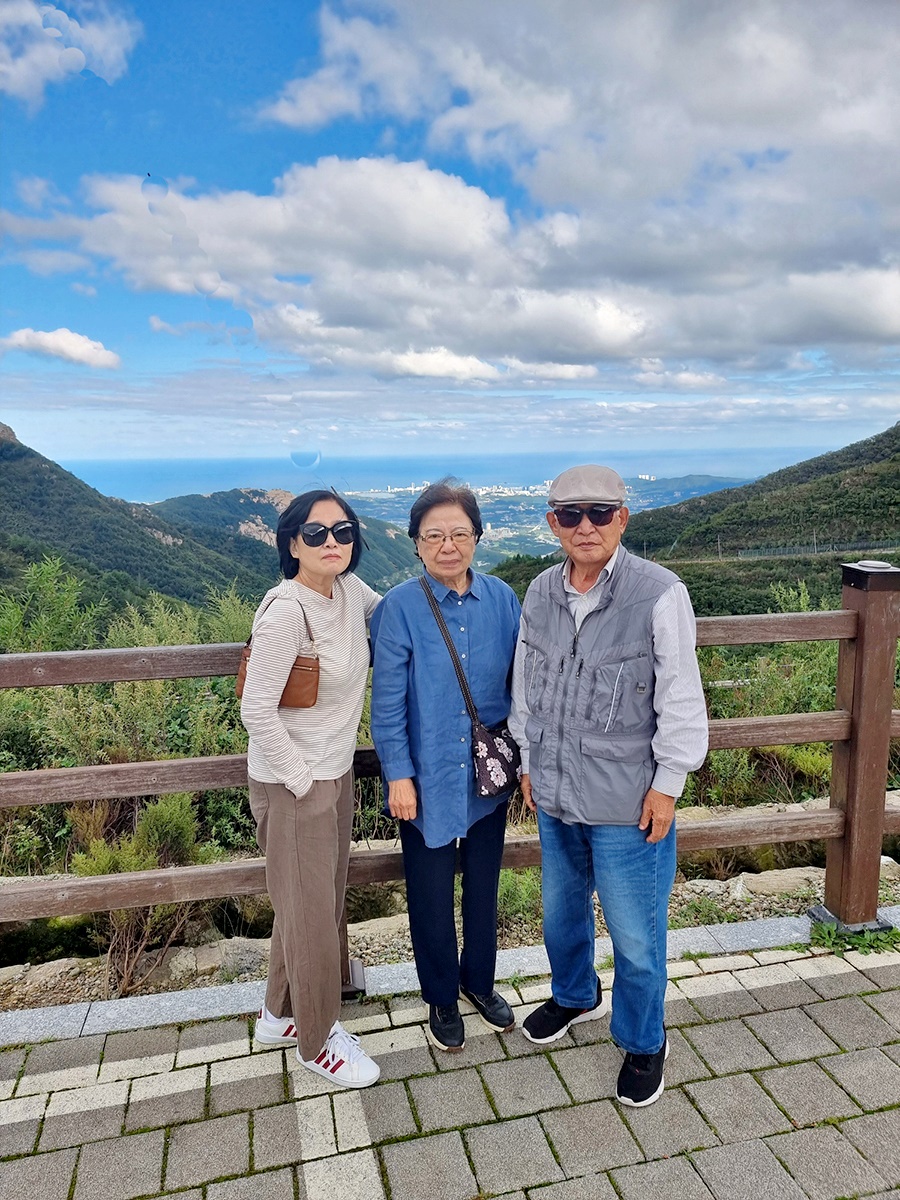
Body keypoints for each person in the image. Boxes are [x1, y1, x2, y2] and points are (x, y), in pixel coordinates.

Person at [508, 464, 708, 1106]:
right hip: (555, 785)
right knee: (561, 912)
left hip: (629, 799)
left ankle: (645, 1040)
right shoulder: (541, 591)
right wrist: (529, 760)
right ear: (553, 523)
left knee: (636, 932)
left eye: (600, 513)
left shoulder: (660, 593)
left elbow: (681, 695)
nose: (586, 526)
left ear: (622, 518)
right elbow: (525, 684)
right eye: (571, 514)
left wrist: (668, 784)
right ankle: (575, 995)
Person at [370, 480, 522, 1052]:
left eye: (459, 533)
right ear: (415, 543)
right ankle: (439, 994)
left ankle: (478, 982)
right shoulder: (400, 608)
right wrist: (398, 775)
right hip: (427, 778)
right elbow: (387, 703)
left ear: (477, 537)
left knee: (485, 884)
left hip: (487, 775)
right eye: (433, 535)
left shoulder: (503, 600)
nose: (447, 545)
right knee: (429, 891)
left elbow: (522, 688)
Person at [240, 488, 381, 1088]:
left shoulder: (349, 591)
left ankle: (278, 1016)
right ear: (292, 543)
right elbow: (256, 710)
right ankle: (318, 1041)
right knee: (314, 917)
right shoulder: (284, 612)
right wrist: (302, 784)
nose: (332, 542)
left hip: (335, 773)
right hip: (294, 784)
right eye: (316, 533)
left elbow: (396, 611)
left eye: (342, 531)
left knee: (309, 906)